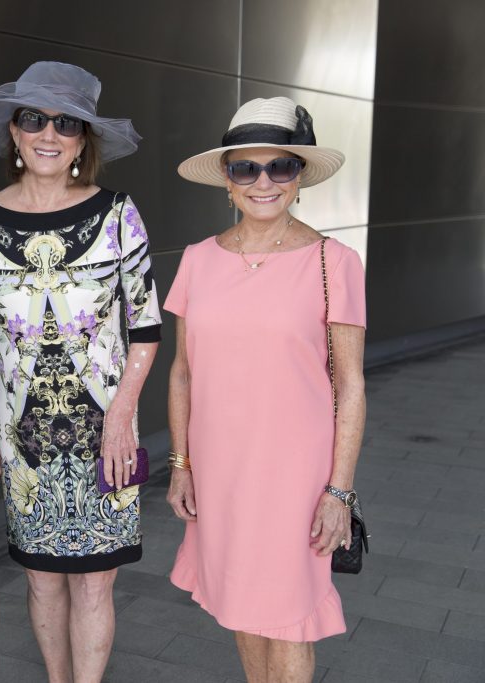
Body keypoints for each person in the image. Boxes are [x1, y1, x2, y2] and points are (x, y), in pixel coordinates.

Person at [165, 97, 366, 683]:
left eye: (280, 166)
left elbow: (350, 383)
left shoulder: (335, 261)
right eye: (245, 168)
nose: (263, 182)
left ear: (299, 177)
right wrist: (181, 463)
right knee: (240, 605)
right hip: (221, 468)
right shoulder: (199, 260)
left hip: (295, 474)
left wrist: (340, 490)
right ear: (227, 181)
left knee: (289, 616)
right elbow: (182, 371)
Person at [0, 62, 162, 682]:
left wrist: (123, 415)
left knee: (95, 584)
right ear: (14, 132)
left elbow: (146, 326)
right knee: (40, 576)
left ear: (85, 139)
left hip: (108, 430)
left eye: (67, 122)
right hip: (22, 434)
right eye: (34, 119)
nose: (48, 133)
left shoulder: (116, 213)